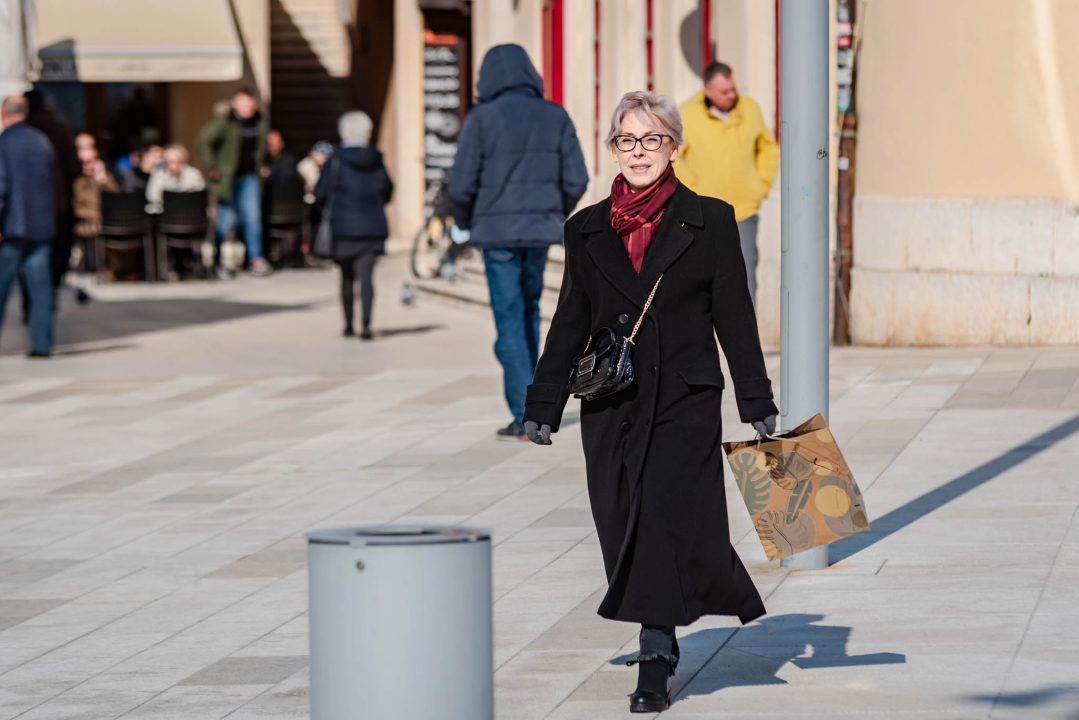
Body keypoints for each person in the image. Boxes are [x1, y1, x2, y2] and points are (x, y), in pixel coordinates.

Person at [522, 91, 779, 713]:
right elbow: (569, 320)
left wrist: (756, 398)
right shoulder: (585, 229)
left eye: (652, 139)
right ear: (613, 149)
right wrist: (543, 402)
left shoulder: (710, 220)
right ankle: (666, 615)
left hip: (683, 400)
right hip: (611, 403)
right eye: (627, 140)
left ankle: (655, 651)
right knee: (619, 522)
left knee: (661, 518)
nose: (639, 152)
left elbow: (735, 317)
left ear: (674, 147)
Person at [447, 43, 588, 441]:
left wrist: (464, 224)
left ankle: (523, 415)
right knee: (528, 314)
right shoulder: (554, 115)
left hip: (498, 237)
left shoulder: (481, 118)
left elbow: (460, 185)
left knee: (510, 321)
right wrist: (552, 212)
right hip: (538, 232)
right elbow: (577, 178)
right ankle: (535, 406)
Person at [678, 62, 778, 305]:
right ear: (708, 90)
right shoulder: (687, 113)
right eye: (724, 91)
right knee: (702, 276)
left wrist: (760, 185)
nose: (732, 95)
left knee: (744, 276)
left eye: (733, 89)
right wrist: (693, 190)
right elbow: (674, 158)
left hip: (743, 211)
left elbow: (768, 149)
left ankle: (746, 329)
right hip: (702, 214)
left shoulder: (750, 109)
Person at [315, 112, 393, 340]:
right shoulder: (376, 160)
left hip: (343, 227)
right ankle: (366, 324)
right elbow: (388, 191)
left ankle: (349, 325)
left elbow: (320, 193)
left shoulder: (335, 160)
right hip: (372, 227)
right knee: (367, 277)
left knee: (347, 277)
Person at [0, 96, 56, 357]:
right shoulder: (41, 141)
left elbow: (1, 188)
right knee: (41, 289)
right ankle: (42, 345)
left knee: (2, 288)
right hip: (39, 225)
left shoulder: (4, 143)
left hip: (11, 227)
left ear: (4, 114)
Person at [197, 86, 271, 278]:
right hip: (227, 179)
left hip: (250, 176)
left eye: (250, 103)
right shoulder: (225, 122)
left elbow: (260, 148)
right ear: (234, 104)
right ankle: (218, 262)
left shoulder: (259, 122)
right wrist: (212, 166)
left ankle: (255, 259)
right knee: (225, 222)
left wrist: (262, 164)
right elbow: (204, 141)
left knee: (252, 218)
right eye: (243, 103)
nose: (247, 107)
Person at [25, 90, 79, 302]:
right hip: (58, 204)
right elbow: (74, 167)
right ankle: (47, 298)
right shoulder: (59, 129)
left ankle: (34, 302)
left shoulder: (23, 131)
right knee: (56, 255)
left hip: (28, 207)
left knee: (29, 258)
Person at [72, 147, 122, 277]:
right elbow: (77, 206)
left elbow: (117, 199)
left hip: (109, 221)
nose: (86, 165)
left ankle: (117, 269)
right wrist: (96, 215)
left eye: (90, 161)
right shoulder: (78, 181)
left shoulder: (105, 178)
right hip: (87, 221)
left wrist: (102, 179)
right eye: (83, 162)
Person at [145, 143, 205, 213]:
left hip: (189, 213)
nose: (173, 165)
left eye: (177, 161)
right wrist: (164, 177)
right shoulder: (159, 173)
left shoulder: (193, 173)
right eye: (169, 161)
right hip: (167, 215)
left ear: (183, 161)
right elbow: (152, 197)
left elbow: (199, 195)